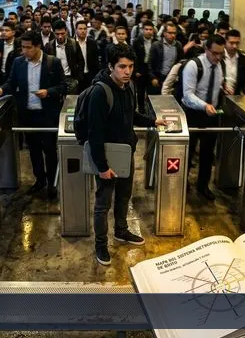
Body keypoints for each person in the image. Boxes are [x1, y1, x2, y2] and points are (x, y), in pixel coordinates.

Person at [87, 45, 165, 265]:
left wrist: (152, 121)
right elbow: (95, 133)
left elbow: (131, 115)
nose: (127, 71)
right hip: (107, 155)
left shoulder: (129, 86)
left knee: (123, 196)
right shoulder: (100, 92)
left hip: (126, 151)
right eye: (122, 66)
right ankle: (101, 246)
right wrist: (101, 167)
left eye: (130, 66)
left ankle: (121, 231)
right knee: (103, 204)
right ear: (111, 66)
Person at [0, 32, 65, 200]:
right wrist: (1, 89)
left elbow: (62, 86)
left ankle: (53, 182)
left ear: (38, 46)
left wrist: (48, 92)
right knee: (34, 150)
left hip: (46, 115)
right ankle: (40, 180)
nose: (24, 51)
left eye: (28, 48)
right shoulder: (18, 63)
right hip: (27, 115)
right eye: (22, 47)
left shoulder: (53, 63)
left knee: (50, 150)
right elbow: (11, 83)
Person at [181, 35, 227, 200]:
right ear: (206, 49)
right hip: (193, 114)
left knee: (208, 154)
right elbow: (187, 95)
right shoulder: (193, 66)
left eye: (221, 53)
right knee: (188, 151)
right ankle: (182, 182)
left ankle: (203, 185)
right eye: (215, 53)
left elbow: (217, 85)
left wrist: (223, 88)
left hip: (211, 115)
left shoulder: (221, 64)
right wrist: (204, 106)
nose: (218, 57)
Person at [44, 20, 84, 94]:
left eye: (62, 33)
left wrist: (77, 79)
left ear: (66, 31)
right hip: (56, 81)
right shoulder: (49, 46)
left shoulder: (74, 44)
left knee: (70, 104)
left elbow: (81, 62)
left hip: (71, 79)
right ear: (53, 32)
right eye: (57, 34)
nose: (60, 36)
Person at [149, 22, 184, 90]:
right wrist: (153, 77)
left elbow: (180, 61)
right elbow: (150, 64)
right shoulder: (156, 45)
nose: (173, 35)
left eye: (174, 33)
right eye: (170, 33)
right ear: (164, 33)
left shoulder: (178, 45)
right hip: (158, 77)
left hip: (171, 79)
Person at [133, 20, 156, 113]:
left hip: (152, 69)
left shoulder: (156, 42)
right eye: (146, 29)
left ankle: (152, 111)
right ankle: (141, 110)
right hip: (141, 69)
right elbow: (134, 57)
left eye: (150, 29)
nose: (148, 31)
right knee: (140, 92)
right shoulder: (137, 41)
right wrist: (136, 70)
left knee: (152, 91)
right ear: (142, 30)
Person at [0, 21, 21, 87]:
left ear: (13, 32)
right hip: (1, 75)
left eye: (7, 30)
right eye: (2, 30)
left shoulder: (19, 43)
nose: (4, 32)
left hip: (15, 75)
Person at [75, 21, 100, 92]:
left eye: (84, 29)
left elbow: (96, 61)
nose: (83, 31)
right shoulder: (71, 43)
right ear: (76, 30)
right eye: (80, 29)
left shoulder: (92, 43)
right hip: (77, 76)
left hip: (90, 75)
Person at [222, 29, 245, 96]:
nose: (235, 46)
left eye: (237, 43)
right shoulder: (219, 56)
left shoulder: (243, 59)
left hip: (236, 96)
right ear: (225, 42)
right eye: (231, 43)